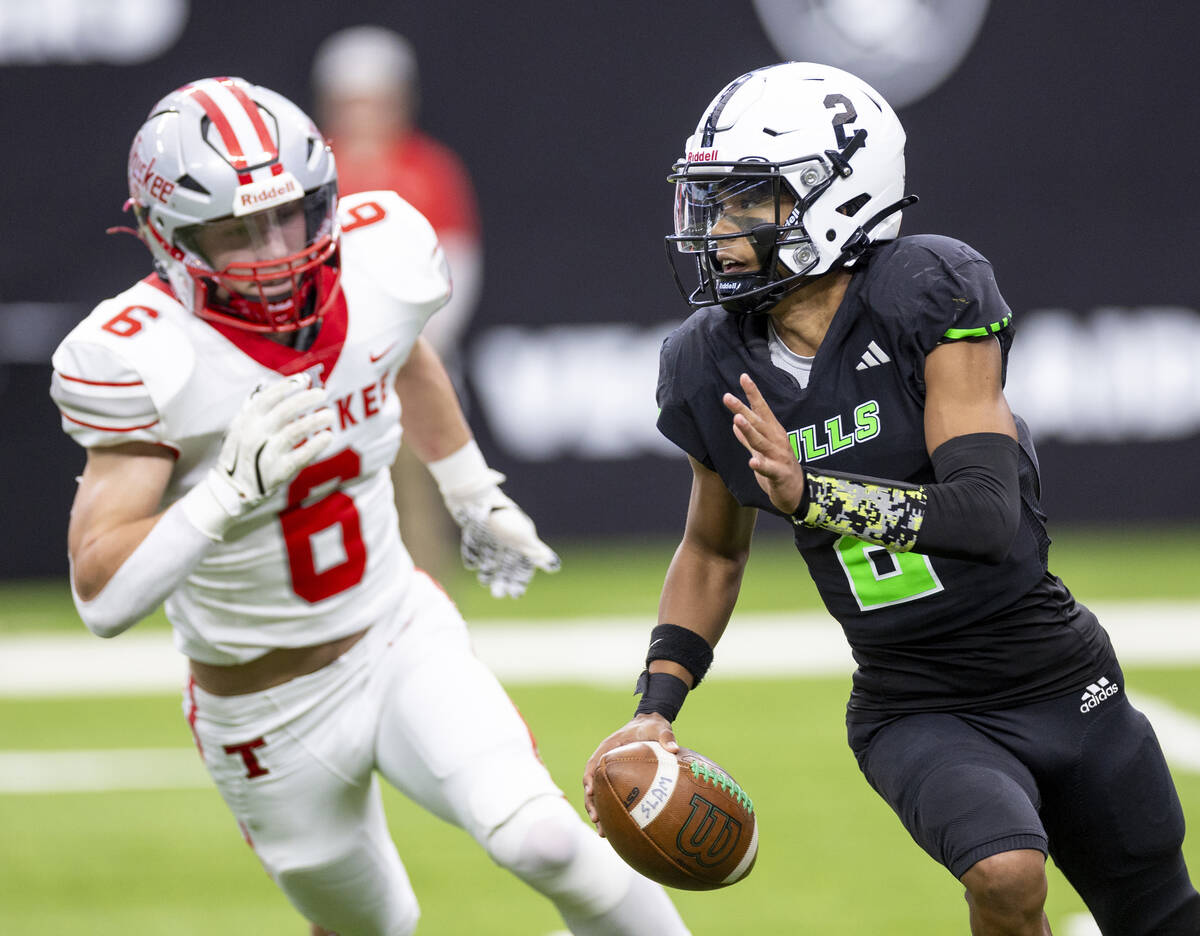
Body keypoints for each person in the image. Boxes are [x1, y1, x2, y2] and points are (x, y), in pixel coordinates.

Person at [51, 77, 689, 936]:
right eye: (236, 232)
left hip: (394, 634)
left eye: (290, 214)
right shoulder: (145, 358)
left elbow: (399, 355)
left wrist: (470, 487)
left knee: (545, 839)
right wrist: (226, 493)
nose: (276, 250)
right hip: (261, 711)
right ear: (169, 238)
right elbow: (101, 598)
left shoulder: (380, 259)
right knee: (371, 925)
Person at [582, 62, 1200, 936]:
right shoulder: (706, 361)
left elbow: (986, 515)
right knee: (1006, 871)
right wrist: (655, 706)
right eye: (713, 204)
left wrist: (809, 493)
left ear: (836, 197)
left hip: (1058, 674)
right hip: (914, 704)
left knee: (1161, 912)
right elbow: (714, 551)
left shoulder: (926, 291)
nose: (718, 230)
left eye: (748, 204)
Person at [312, 25, 482, 585]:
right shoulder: (312, 169)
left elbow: (456, 269)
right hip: (323, 367)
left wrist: (408, 345)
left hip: (408, 360)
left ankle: (428, 609)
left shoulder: (429, 168)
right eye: (352, 101)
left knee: (417, 503)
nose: (364, 114)